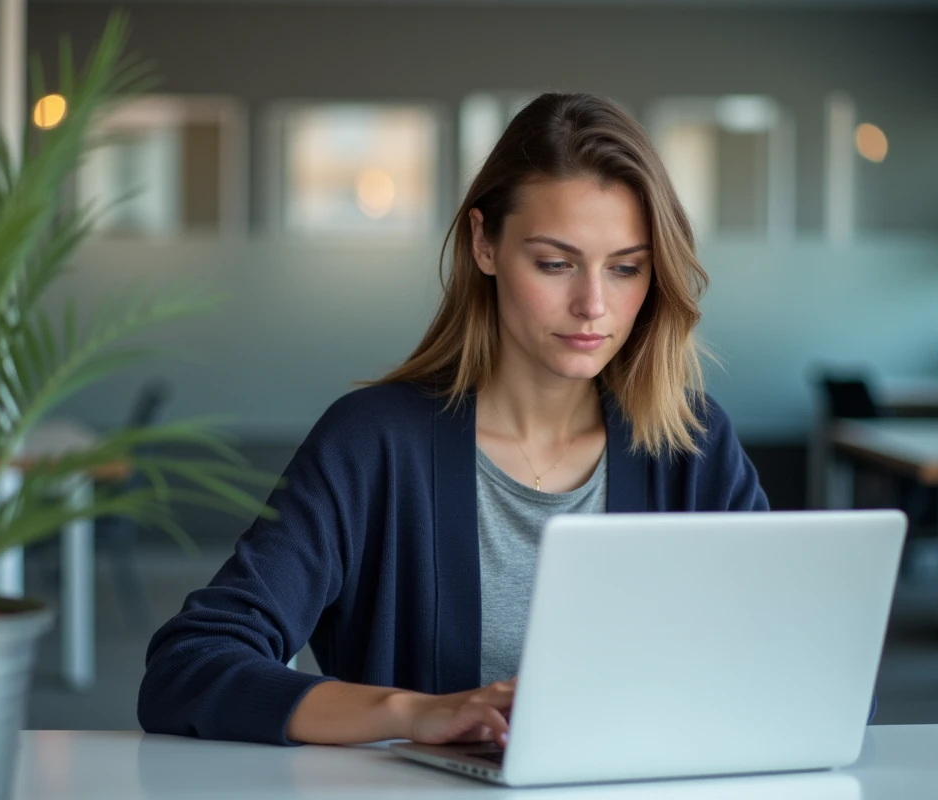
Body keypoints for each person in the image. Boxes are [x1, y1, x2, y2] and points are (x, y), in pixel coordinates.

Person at [137, 92, 769, 748]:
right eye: (555, 263)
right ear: (484, 244)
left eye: (627, 268)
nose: (593, 304)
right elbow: (189, 667)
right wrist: (411, 713)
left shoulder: (692, 443)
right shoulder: (373, 443)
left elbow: (804, 663)